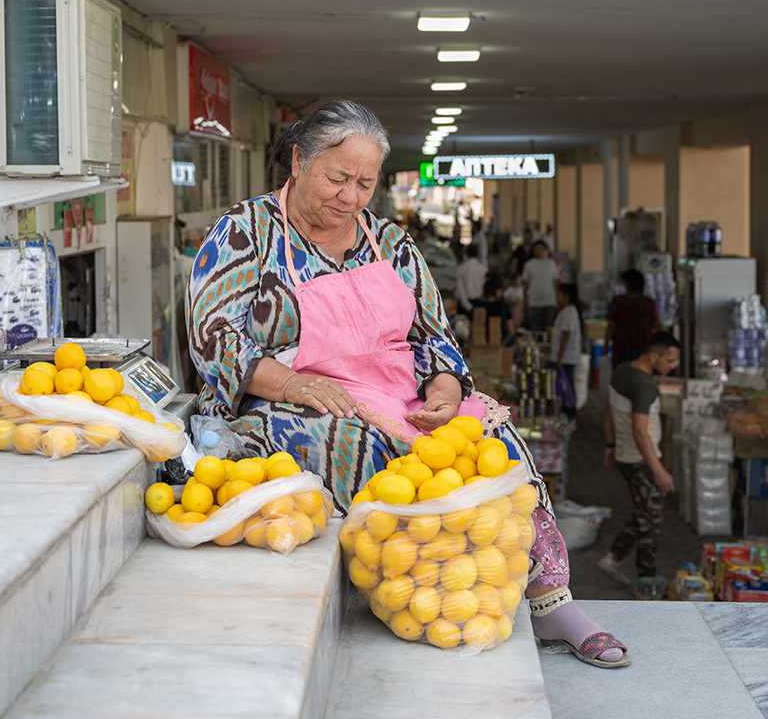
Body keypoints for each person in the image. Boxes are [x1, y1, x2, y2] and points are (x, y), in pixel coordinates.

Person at [188, 100, 629, 668]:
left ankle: (548, 600)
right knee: (358, 443)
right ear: (298, 161)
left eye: (365, 183)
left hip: (398, 391)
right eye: (337, 178)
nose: (350, 197)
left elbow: (434, 336)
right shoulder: (246, 232)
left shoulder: (391, 243)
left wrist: (444, 391)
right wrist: (294, 384)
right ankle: (420, 587)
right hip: (283, 396)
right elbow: (214, 337)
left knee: (492, 441)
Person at [597, 332, 681, 588]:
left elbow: (608, 410)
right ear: (653, 356)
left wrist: (610, 445)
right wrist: (659, 470)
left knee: (646, 511)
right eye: (669, 361)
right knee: (650, 520)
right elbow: (640, 431)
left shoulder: (622, 371)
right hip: (640, 459)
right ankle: (647, 579)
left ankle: (613, 558)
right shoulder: (643, 386)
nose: (672, 366)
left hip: (626, 454)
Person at [606, 269, 660, 369]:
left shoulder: (618, 302)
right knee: (641, 371)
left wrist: (605, 345)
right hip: (643, 345)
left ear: (627, 284)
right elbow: (656, 325)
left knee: (621, 372)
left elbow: (611, 325)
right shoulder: (648, 303)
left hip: (621, 346)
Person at [550, 283, 582, 419]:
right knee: (565, 384)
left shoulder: (569, 312)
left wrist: (560, 358)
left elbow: (566, 336)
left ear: (566, 296)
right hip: (565, 356)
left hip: (566, 357)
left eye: (559, 294)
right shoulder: (566, 311)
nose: (557, 297)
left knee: (567, 386)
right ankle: (567, 413)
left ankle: (570, 414)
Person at [522, 240, 560, 334]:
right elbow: (526, 284)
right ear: (533, 250)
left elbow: (555, 282)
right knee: (535, 331)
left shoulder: (551, 263)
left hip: (549, 301)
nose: (539, 251)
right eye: (537, 249)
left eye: (542, 249)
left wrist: (558, 298)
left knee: (549, 330)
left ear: (546, 250)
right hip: (534, 302)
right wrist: (525, 300)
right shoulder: (529, 265)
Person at [472, 272, 515, 346]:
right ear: (496, 290)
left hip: (479, 345)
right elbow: (511, 329)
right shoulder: (503, 306)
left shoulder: (477, 306)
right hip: (501, 345)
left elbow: (472, 330)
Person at [454, 243, 488, 318]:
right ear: (477, 254)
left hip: (463, 304)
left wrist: (467, 306)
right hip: (479, 303)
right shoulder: (483, 269)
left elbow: (460, 288)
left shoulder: (461, 268)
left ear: (466, 254)